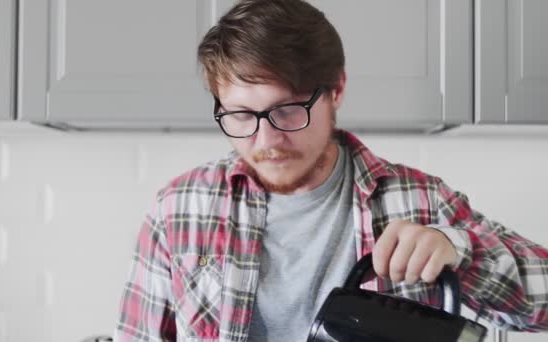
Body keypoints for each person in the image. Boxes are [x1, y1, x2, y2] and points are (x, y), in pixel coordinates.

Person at [113, 0, 548, 341]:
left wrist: (458, 248)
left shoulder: (420, 202)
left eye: (286, 111)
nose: (266, 142)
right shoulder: (180, 207)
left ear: (336, 89)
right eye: (241, 115)